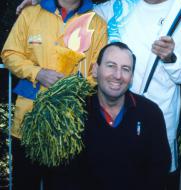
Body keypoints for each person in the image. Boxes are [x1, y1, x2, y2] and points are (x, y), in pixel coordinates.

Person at [16, 0, 181, 189]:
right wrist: (43, 4)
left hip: (159, 118)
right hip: (113, 117)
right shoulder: (122, 6)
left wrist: (170, 58)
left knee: (153, 178)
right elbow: (78, 11)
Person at [1, 0, 107, 189]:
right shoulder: (31, 14)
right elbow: (9, 54)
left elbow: (97, 73)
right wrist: (38, 73)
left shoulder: (97, 23)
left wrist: (70, 89)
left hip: (71, 127)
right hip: (27, 124)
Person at [60, 41, 170, 190]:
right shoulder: (73, 111)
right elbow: (63, 174)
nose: (118, 75)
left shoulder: (150, 113)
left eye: (125, 69)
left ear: (131, 77)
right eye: (111, 66)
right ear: (95, 70)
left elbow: (159, 169)